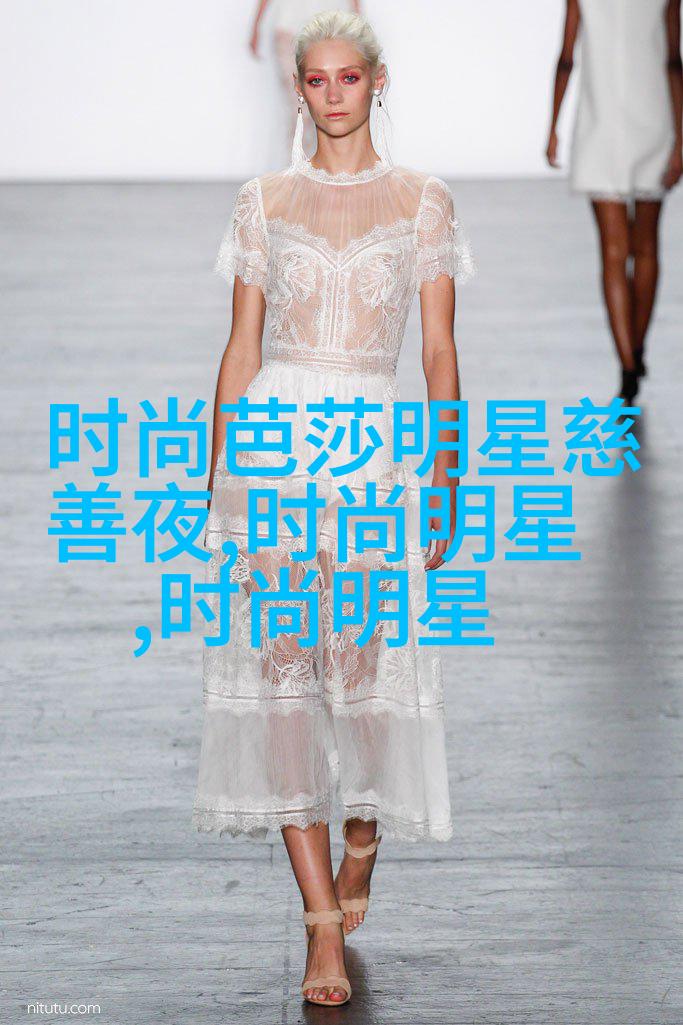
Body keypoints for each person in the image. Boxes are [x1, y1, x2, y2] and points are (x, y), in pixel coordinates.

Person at [193, 9, 474, 1007]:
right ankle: (319, 919)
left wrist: (445, 475)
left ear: (376, 81)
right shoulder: (263, 200)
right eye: (316, 79)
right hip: (273, 450)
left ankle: (363, 835)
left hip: (371, 454)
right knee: (281, 673)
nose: (332, 94)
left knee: (362, 674)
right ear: (299, 88)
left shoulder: (421, 200)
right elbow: (241, 347)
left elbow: (436, 351)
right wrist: (218, 477)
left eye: (348, 77)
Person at [546, 0, 683, 401]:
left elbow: (567, 58)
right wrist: (680, 137)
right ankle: (635, 350)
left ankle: (626, 362)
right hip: (653, 119)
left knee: (613, 252)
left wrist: (553, 126)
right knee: (646, 247)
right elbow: (673, 61)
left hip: (600, 125)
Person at [249, 0, 361, 159]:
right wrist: (255, 27)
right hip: (288, 33)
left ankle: (322, 164)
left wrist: (358, 30)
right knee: (299, 104)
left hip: (326, 35)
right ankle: (298, 164)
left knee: (326, 103)